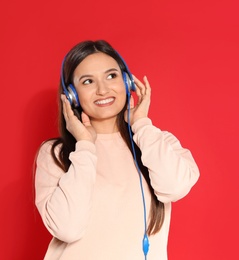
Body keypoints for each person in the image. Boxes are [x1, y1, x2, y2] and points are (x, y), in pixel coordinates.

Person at [34, 39, 200, 260]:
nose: (102, 90)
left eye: (111, 76)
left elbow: (175, 187)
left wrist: (141, 123)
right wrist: (84, 145)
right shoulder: (55, 153)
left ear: (127, 82)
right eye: (87, 82)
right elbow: (68, 228)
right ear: (72, 95)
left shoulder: (157, 142)